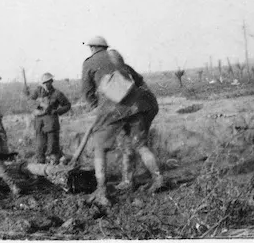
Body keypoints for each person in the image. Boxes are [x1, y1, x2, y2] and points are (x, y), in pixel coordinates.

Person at [81, 36, 163, 207]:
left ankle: (101, 189)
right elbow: (139, 80)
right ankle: (155, 178)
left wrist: (97, 107)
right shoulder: (117, 60)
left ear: (92, 48)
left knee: (100, 147)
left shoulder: (89, 63)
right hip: (135, 106)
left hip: (111, 109)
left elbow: (87, 92)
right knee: (138, 144)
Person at [23, 72, 72, 164]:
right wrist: (38, 103)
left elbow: (67, 105)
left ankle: (54, 170)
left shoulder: (57, 94)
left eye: (47, 82)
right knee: (40, 148)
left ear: (51, 81)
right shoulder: (37, 92)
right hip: (39, 124)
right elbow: (29, 102)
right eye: (44, 82)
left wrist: (57, 111)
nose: (45, 84)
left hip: (51, 124)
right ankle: (40, 170)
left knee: (52, 148)